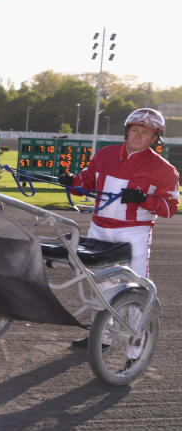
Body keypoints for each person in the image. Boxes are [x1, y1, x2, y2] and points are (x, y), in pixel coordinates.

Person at [59, 107, 179, 355]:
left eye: (145, 133)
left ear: (155, 138)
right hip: (99, 230)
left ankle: (135, 352)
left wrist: (143, 199)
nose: (138, 136)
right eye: (135, 130)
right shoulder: (105, 154)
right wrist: (73, 181)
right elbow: (87, 181)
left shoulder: (164, 170)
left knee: (135, 289)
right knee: (96, 286)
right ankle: (102, 338)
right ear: (127, 131)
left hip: (133, 234)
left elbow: (169, 208)